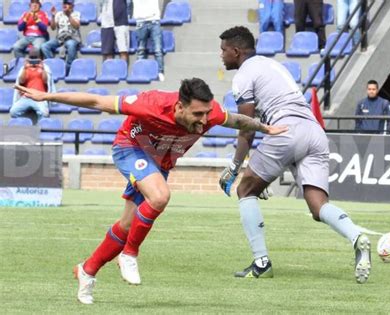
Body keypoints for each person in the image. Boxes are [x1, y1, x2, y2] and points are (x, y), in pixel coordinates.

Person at [15, 78, 287, 304]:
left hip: (159, 162)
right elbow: (97, 101)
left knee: (127, 223)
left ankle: (87, 270)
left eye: (206, 114)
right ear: (179, 106)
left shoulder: (211, 112)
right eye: (197, 115)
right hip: (130, 149)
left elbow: (237, 121)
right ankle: (130, 254)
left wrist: (264, 128)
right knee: (160, 196)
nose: (205, 121)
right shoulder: (151, 104)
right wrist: (47, 95)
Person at [218, 26, 371, 283]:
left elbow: (246, 126)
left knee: (245, 191)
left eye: (223, 51)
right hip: (314, 132)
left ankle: (261, 262)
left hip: (286, 131)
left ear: (236, 51)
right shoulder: (273, 65)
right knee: (318, 206)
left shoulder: (244, 75)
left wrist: (236, 167)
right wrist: (262, 173)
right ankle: (357, 236)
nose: (221, 56)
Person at [10, 49, 55, 121]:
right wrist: (25, 68)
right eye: (32, 57)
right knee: (13, 112)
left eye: (35, 57)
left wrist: (42, 68)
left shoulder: (45, 68)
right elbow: (21, 81)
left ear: (40, 58)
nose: (34, 59)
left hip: (39, 97)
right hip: (26, 97)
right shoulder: (24, 68)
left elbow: (45, 81)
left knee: (44, 113)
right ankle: (24, 127)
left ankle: (39, 129)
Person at [41, 0, 81, 75]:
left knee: (71, 45)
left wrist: (69, 15)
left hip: (72, 37)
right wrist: (53, 16)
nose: (65, 5)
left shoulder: (76, 14)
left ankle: (68, 69)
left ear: (72, 6)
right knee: (44, 46)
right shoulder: (59, 14)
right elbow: (53, 28)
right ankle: (53, 65)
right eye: (64, 3)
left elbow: (76, 26)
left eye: (68, 3)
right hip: (60, 38)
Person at [130, 0, 165, 81]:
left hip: (154, 20)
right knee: (141, 49)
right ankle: (139, 73)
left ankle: (160, 72)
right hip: (140, 21)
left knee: (158, 49)